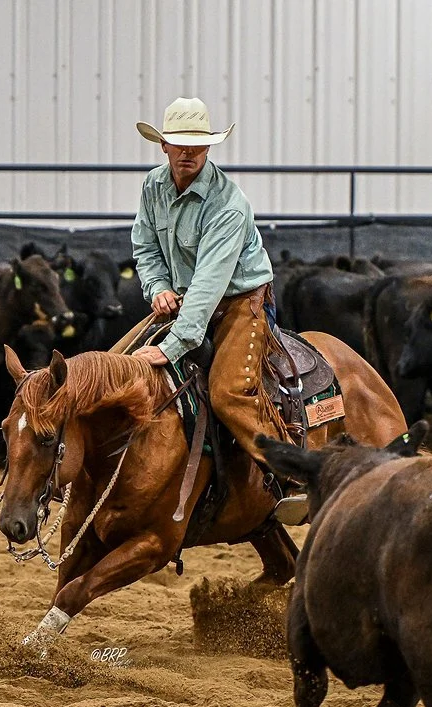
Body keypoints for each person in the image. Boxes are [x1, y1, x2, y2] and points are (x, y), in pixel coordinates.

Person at [129, 96, 293, 488]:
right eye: (180, 143)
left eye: (198, 144)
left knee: (228, 392)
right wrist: (158, 287)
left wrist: (172, 347)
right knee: (120, 365)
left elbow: (209, 282)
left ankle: (293, 475)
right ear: (163, 145)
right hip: (186, 300)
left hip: (240, 302)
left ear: (209, 147)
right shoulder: (153, 185)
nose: (188, 152)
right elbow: (145, 247)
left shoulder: (228, 205)